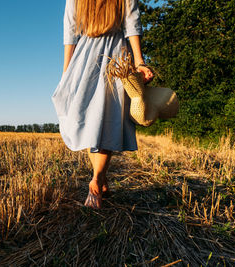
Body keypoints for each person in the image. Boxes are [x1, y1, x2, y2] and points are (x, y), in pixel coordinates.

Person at [51, 0, 154, 209]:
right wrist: (139, 61)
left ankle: (100, 179)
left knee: (92, 118)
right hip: (116, 54)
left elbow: (69, 31)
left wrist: (67, 71)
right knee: (108, 118)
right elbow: (132, 23)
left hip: (85, 55)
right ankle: (98, 180)